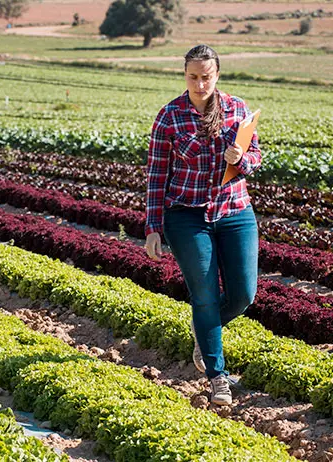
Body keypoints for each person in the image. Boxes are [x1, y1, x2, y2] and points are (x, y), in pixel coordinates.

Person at [144, 44, 260, 406]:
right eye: (193, 77)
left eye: (206, 77)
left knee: (243, 295)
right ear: (185, 75)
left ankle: (203, 327)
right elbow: (156, 175)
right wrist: (152, 226)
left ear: (217, 75)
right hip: (187, 215)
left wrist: (242, 160)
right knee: (205, 295)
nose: (199, 83)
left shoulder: (237, 109)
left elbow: (256, 157)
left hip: (235, 211)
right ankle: (217, 377)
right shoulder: (170, 116)